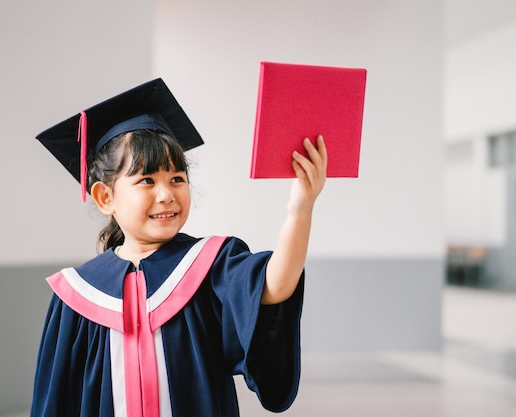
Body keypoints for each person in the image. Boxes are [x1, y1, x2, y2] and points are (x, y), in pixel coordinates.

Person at [30, 78, 327, 417]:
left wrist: (300, 210)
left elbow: (274, 286)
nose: (166, 193)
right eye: (146, 180)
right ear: (105, 197)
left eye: (177, 178)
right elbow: (56, 400)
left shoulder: (210, 264)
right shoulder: (78, 294)